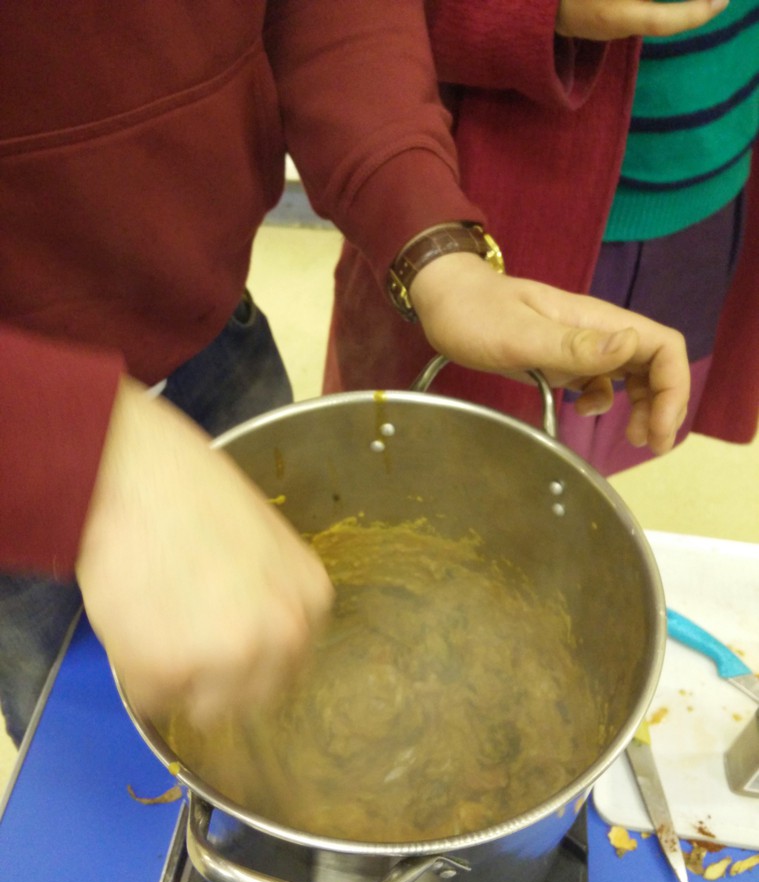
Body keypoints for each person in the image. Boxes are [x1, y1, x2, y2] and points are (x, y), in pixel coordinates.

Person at [0, 1, 690, 746]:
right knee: (86, 747)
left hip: (209, 335)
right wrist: (71, 439)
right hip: (24, 478)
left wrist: (437, 253)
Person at [325, 0, 759, 475]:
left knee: (603, 433)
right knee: (441, 460)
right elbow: (339, 32)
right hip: (490, 196)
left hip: (712, 178)